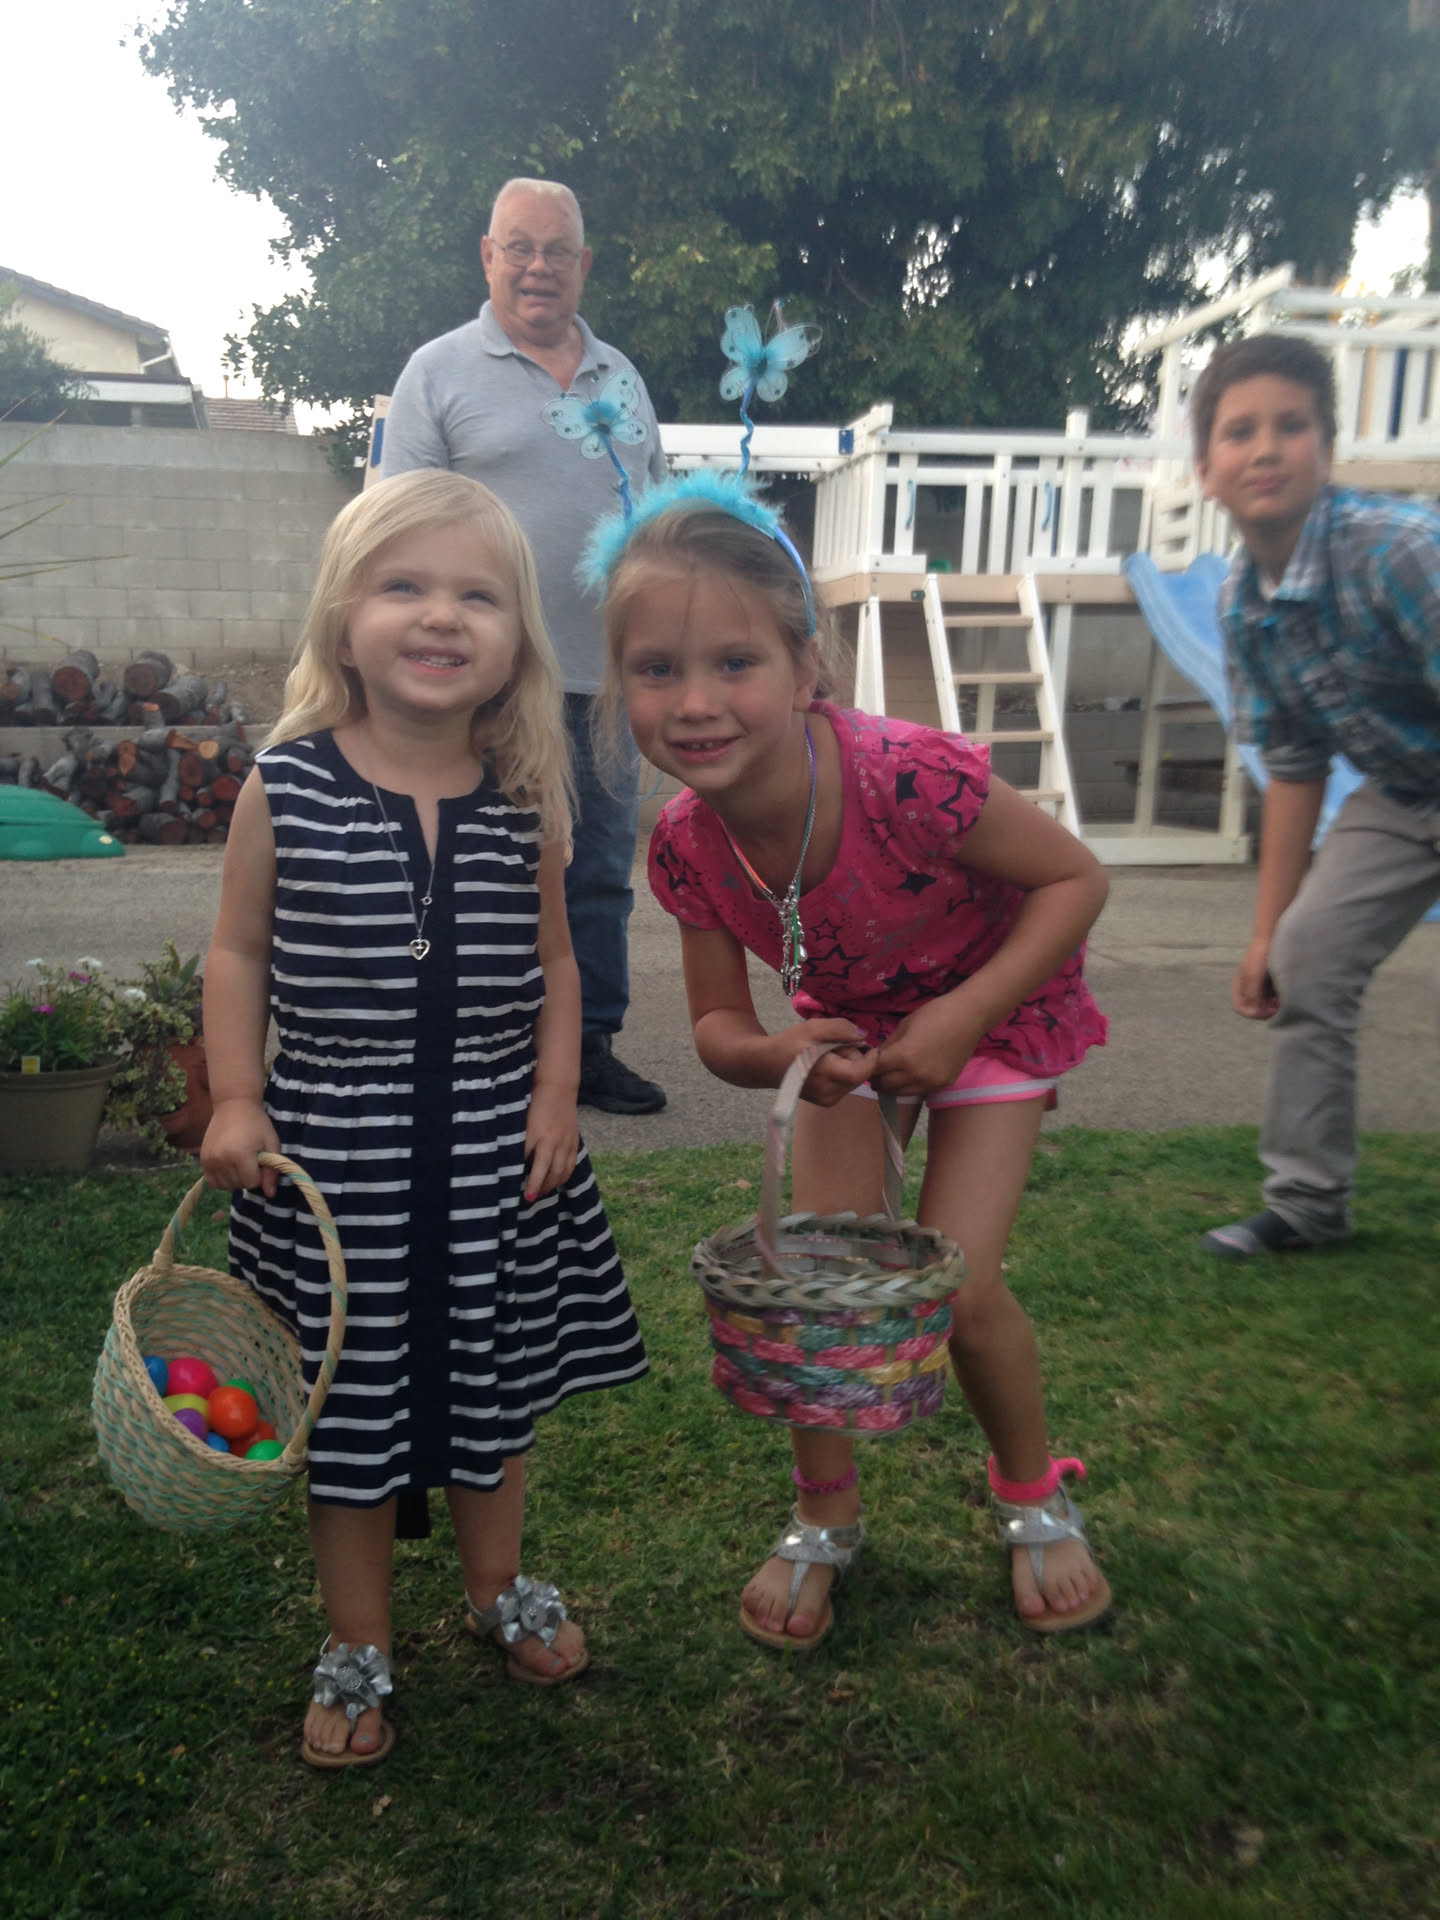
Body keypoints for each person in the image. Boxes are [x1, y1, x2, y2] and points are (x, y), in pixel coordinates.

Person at [586, 473, 1113, 1647]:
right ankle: (825, 1515)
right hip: (848, 1034)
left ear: (804, 668)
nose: (695, 702)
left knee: (960, 1286)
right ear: (618, 684)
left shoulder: (909, 777)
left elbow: (1077, 879)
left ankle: (1031, 1494)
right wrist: (779, 1052)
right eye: (656, 669)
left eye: (735, 662)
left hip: (995, 1010)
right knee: (810, 1284)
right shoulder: (685, 844)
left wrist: (963, 1017)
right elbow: (720, 1026)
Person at [200, 470, 648, 1766]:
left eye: (477, 595)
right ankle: (358, 1640)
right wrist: (236, 1096)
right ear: (344, 624)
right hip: (335, 1166)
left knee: (485, 1395)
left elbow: (559, 965)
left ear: (518, 643)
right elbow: (237, 953)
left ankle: (496, 1585)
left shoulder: (527, 795)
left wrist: (556, 1094)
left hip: (492, 1157)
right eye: (403, 586)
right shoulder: (284, 785)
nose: (441, 615)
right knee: (347, 1409)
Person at [380, 176, 668, 1114]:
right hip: (484, 682)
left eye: (557, 251)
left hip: (603, 676)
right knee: (479, 864)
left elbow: (656, 517)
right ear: (488, 256)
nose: (538, 267)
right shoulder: (438, 371)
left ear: (584, 264)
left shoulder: (621, 378)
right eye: (520, 247)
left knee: (597, 874)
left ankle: (587, 1046)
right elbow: (397, 526)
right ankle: (476, 1041)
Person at [1189, 334, 1440, 1259]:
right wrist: (1267, 933)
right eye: (1239, 432)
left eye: (1291, 426)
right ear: (1206, 471)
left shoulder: (1400, 551)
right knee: (1309, 955)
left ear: (1327, 451)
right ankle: (1307, 1203)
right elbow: (1294, 768)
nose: (1266, 449)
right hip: (1405, 792)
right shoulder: (1240, 607)